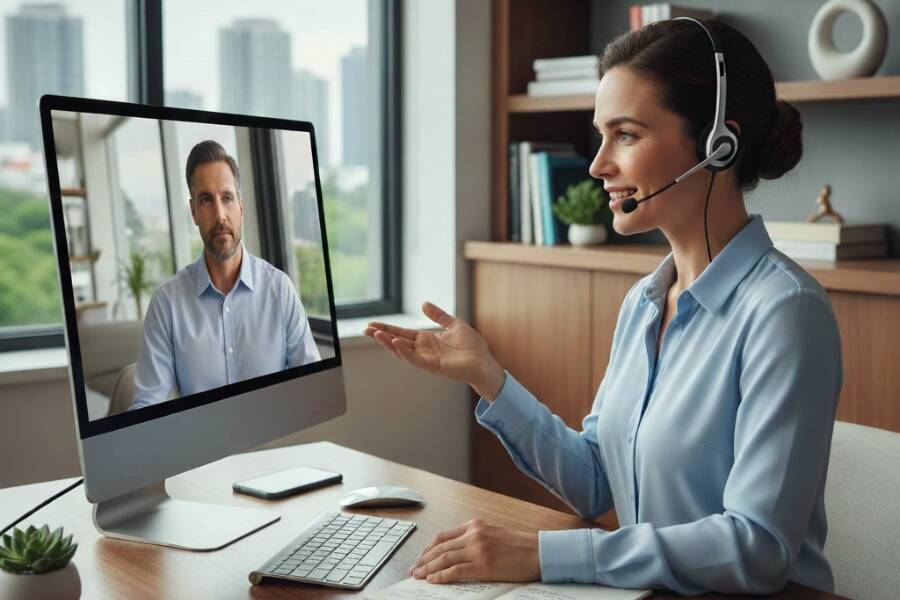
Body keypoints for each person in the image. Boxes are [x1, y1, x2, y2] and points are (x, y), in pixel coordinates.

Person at [364, 19, 842, 596]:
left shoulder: (785, 313)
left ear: (719, 144)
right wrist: (488, 378)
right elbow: (595, 480)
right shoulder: (643, 302)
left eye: (628, 135)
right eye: (601, 135)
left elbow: (758, 547)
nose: (598, 164)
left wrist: (545, 553)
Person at [130, 140, 320, 411]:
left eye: (227, 198)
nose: (220, 215)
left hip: (274, 446)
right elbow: (146, 407)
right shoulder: (166, 304)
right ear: (194, 211)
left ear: (240, 207)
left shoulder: (280, 290)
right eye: (206, 200)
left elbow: (312, 389)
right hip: (201, 451)